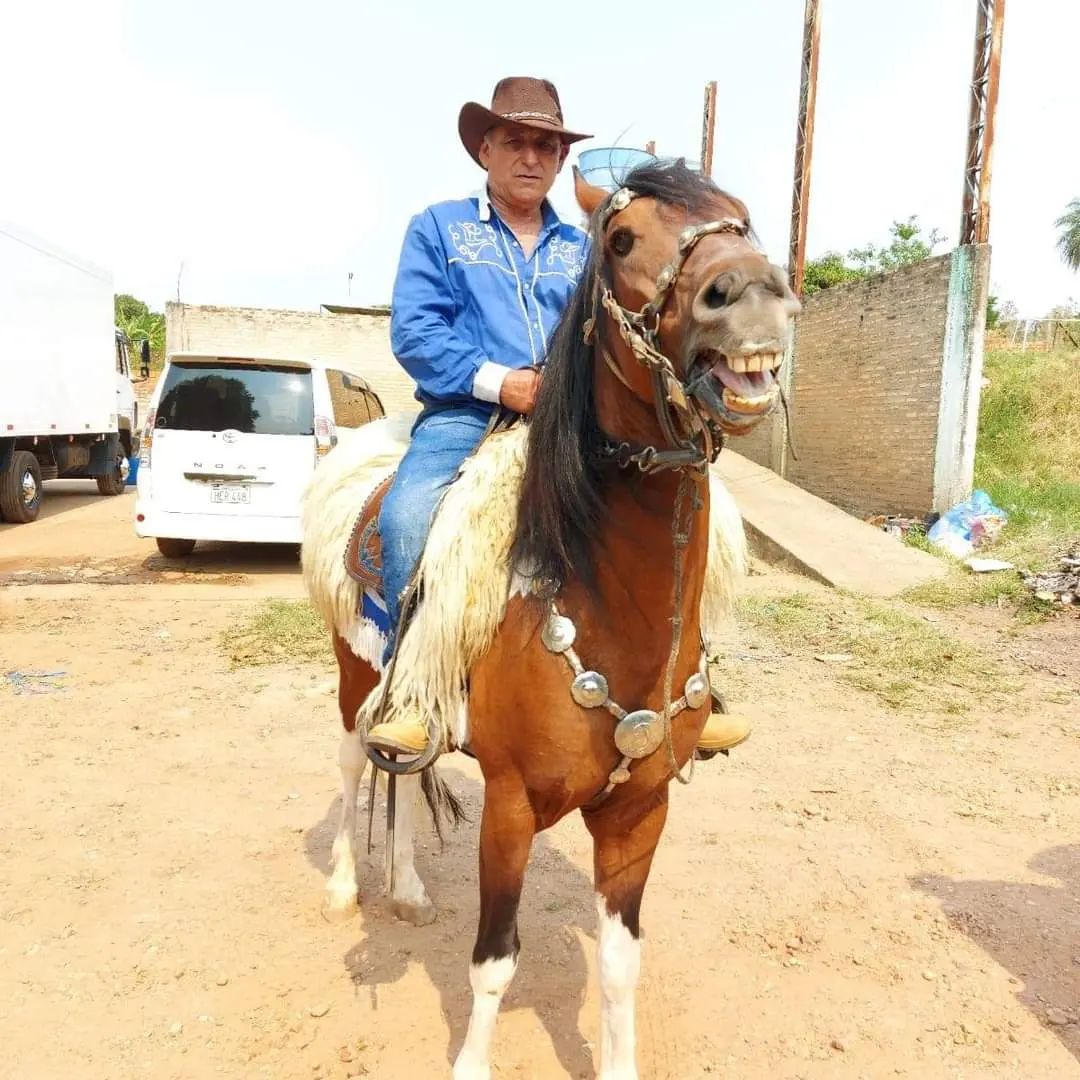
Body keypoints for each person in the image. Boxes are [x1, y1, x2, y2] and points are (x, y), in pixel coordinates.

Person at [366, 76, 750, 758]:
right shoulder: (438, 229)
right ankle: (415, 690)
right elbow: (417, 333)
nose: (531, 157)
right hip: (465, 413)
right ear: (484, 149)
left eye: (546, 145)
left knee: (693, 510)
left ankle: (692, 680)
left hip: (575, 424)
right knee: (410, 515)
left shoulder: (587, 246)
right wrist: (504, 383)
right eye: (515, 141)